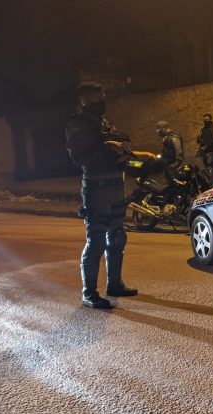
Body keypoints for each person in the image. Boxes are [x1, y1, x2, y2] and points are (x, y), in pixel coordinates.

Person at [65, 82, 154, 309]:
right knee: (96, 241)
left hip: (116, 187)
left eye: (103, 96)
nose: (102, 101)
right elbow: (80, 158)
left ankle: (114, 284)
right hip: (97, 189)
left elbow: (120, 150)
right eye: (97, 98)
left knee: (117, 237)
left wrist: (139, 162)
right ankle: (89, 293)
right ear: (85, 100)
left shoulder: (103, 123)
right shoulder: (78, 125)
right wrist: (108, 149)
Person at [196, 113, 213, 186]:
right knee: (206, 172)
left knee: (211, 171)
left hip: (212, 153)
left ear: (211, 119)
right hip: (205, 153)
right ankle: (209, 187)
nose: (205, 122)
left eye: (207, 120)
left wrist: (205, 147)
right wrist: (200, 148)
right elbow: (201, 141)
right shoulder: (203, 130)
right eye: (204, 120)